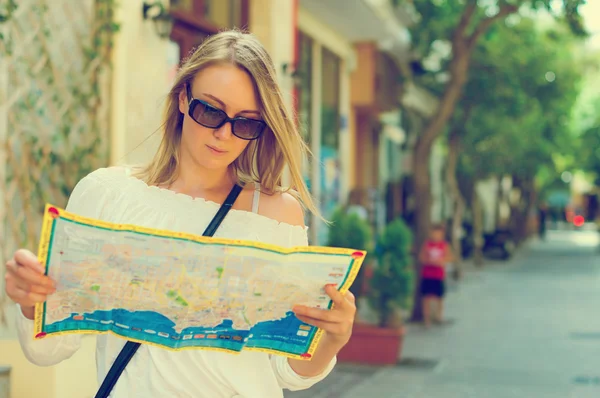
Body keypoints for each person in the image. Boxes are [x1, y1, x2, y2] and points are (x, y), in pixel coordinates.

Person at [3, 30, 355, 398]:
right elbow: (50, 348)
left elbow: (286, 370)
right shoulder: (106, 195)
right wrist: (31, 302)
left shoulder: (278, 215)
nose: (223, 134)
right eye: (210, 111)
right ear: (183, 98)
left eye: (246, 122)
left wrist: (332, 338)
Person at [418, 224, 453, 328]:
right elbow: (421, 258)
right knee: (426, 298)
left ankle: (439, 316)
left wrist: (441, 262)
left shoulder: (444, 245)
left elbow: (449, 258)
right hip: (427, 274)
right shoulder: (427, 244)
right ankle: (426, 319)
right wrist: (429, 261)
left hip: (439, 275)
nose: (436, 235)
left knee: (440, 297)